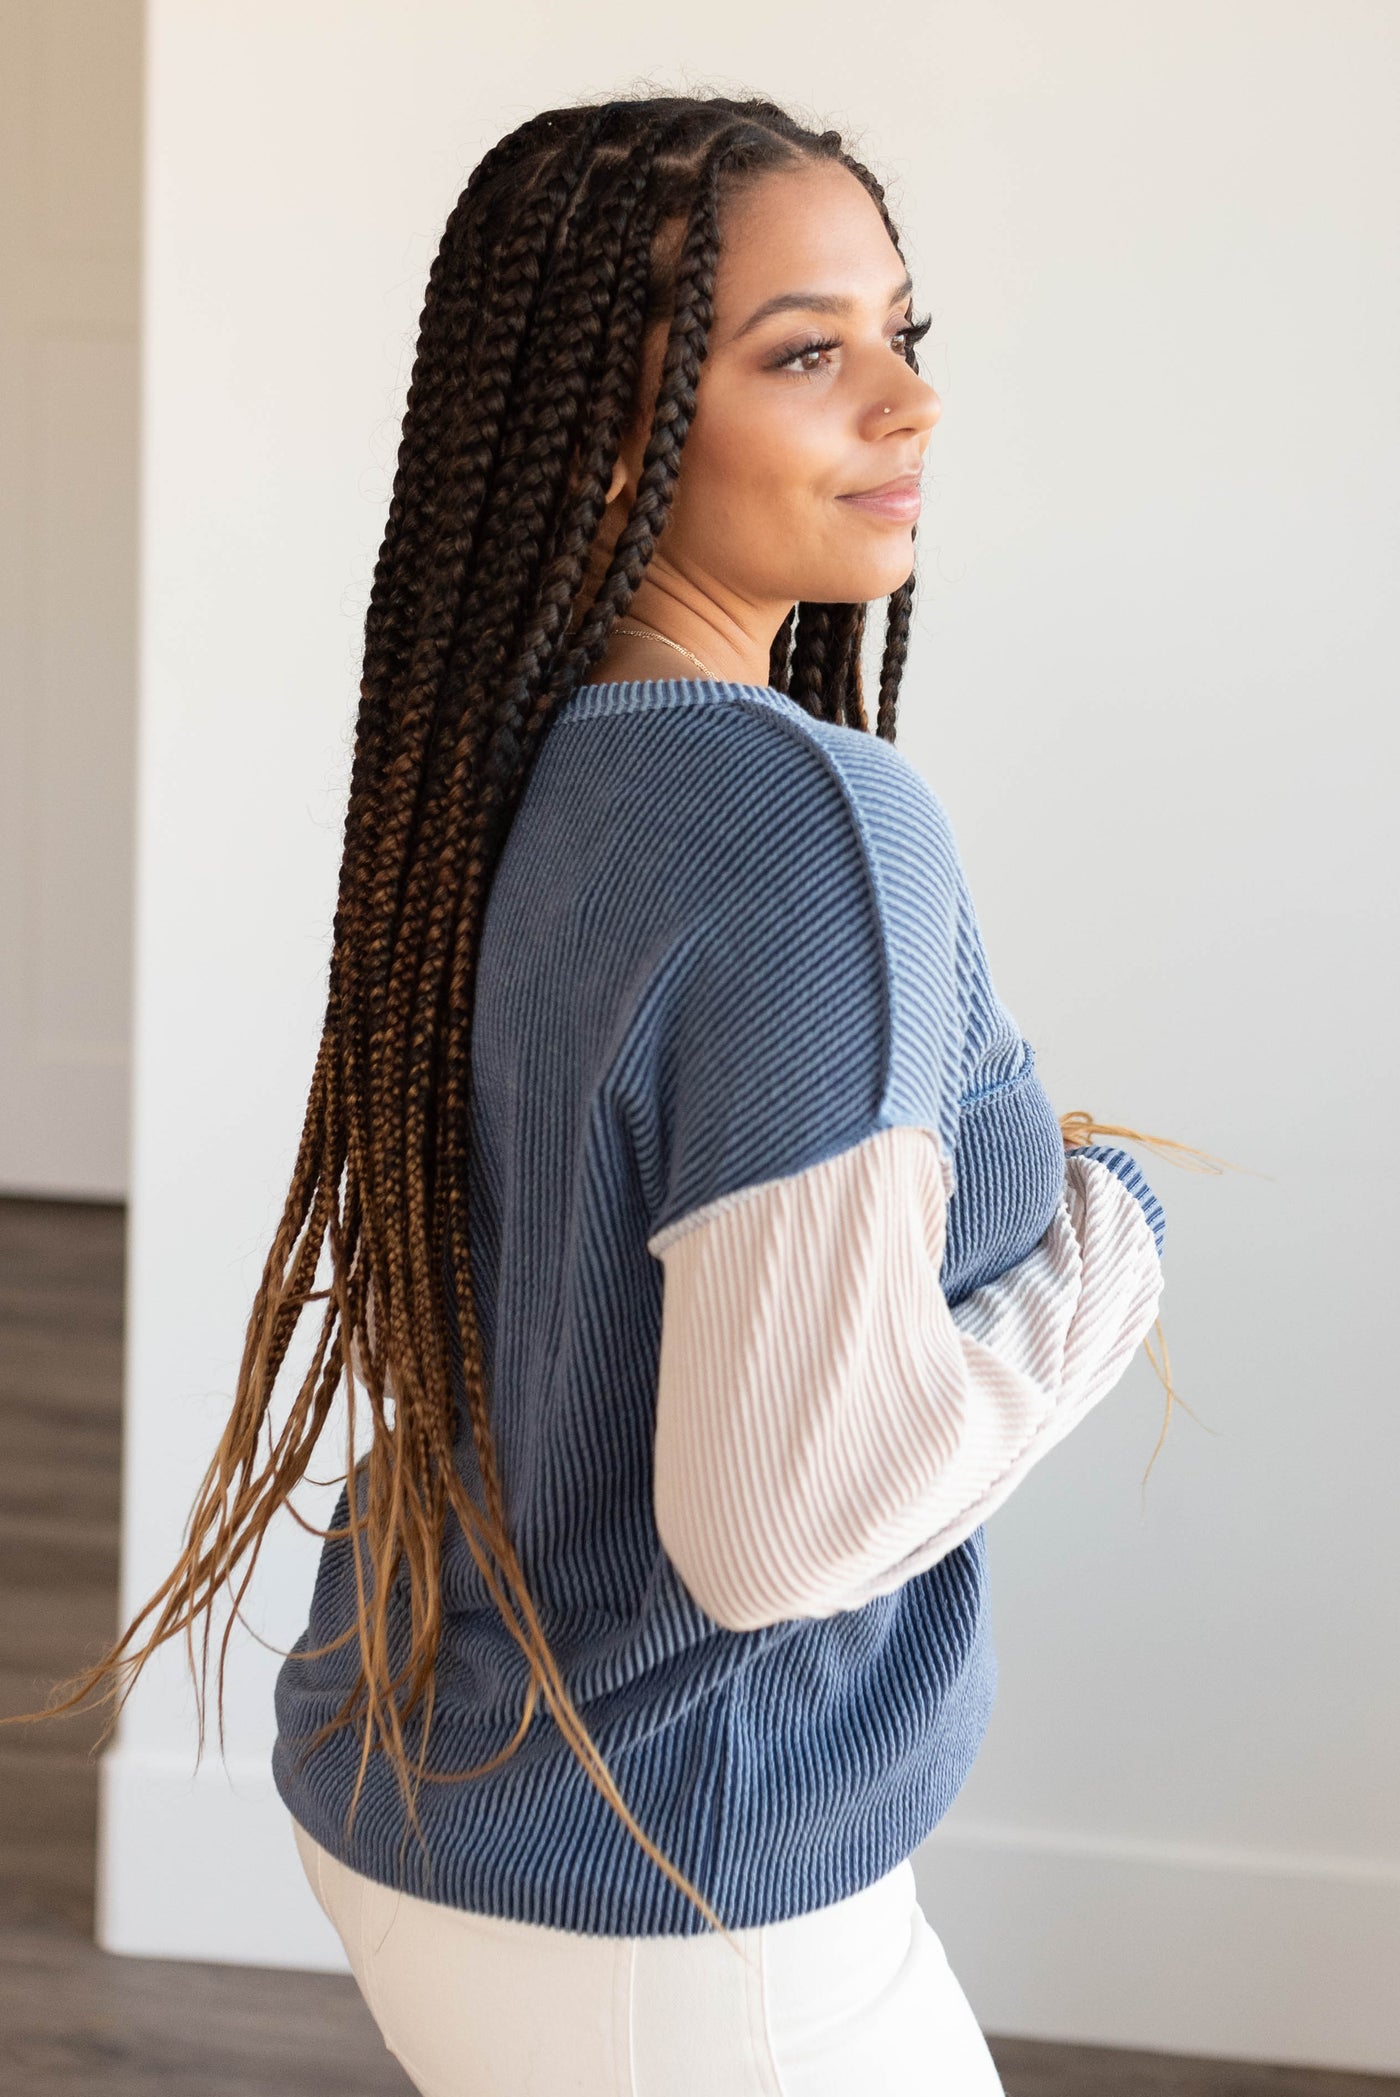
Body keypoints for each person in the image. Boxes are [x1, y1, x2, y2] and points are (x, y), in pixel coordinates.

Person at [9, 91, 1171, 2095]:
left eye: (908, 336)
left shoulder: (520, 777)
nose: (905, 406)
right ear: (613, 428)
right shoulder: (808, 818)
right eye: (806, 353)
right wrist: (1112, 1256)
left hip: (439, 1777)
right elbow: (782, 1530)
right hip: (668, 1896)